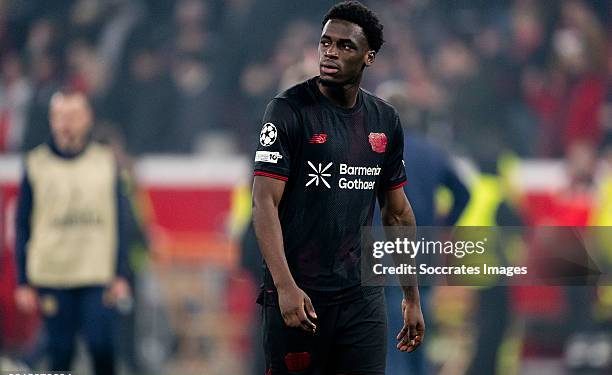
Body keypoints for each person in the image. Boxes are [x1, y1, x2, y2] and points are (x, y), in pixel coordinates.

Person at [251, 2, 425, 374]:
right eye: (325, 42)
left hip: (361, 297)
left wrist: (412, 296)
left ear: (369, 57)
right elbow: (263, 202)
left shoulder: (385, 121)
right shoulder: (287, 111)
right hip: (300, 295)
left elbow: (396, 212)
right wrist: (284, 287)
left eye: (345, 46)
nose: (330, 52)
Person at [13, 90, 130, 375]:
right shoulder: (36, 164)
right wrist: (23, 281)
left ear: (87, 118)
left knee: (102, 346)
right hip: (53, 274)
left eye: (74, 115)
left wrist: (121, 274)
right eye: (61, 116)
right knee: (59, 351)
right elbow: (22, 224)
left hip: (96, 274)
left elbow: (122, 221)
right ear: (51, 120)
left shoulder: (105, 162)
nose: (67, 123)